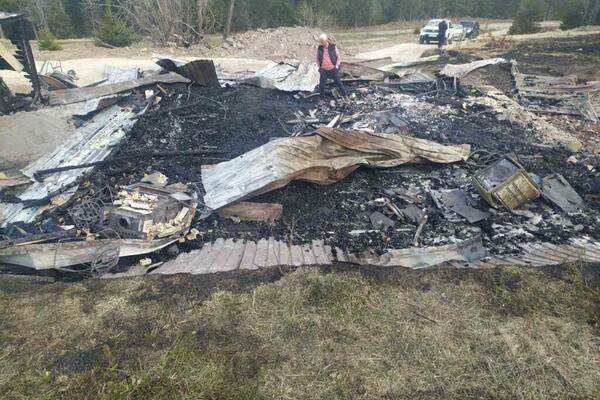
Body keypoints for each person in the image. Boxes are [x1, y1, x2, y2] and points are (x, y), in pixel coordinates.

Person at [316, 33, 347, 101]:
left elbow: (338, 57)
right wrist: (319, 67)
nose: (322, 43)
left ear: (326, 40)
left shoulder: (333, 47)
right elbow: (317, 58)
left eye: (323, 42)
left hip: (332, 69)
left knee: (338, 82)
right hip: (323, 70)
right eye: (321, 42)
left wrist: (336, 66)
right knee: (321, 85)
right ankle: (322, 99)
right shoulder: (320, 48)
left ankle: (345, 95)